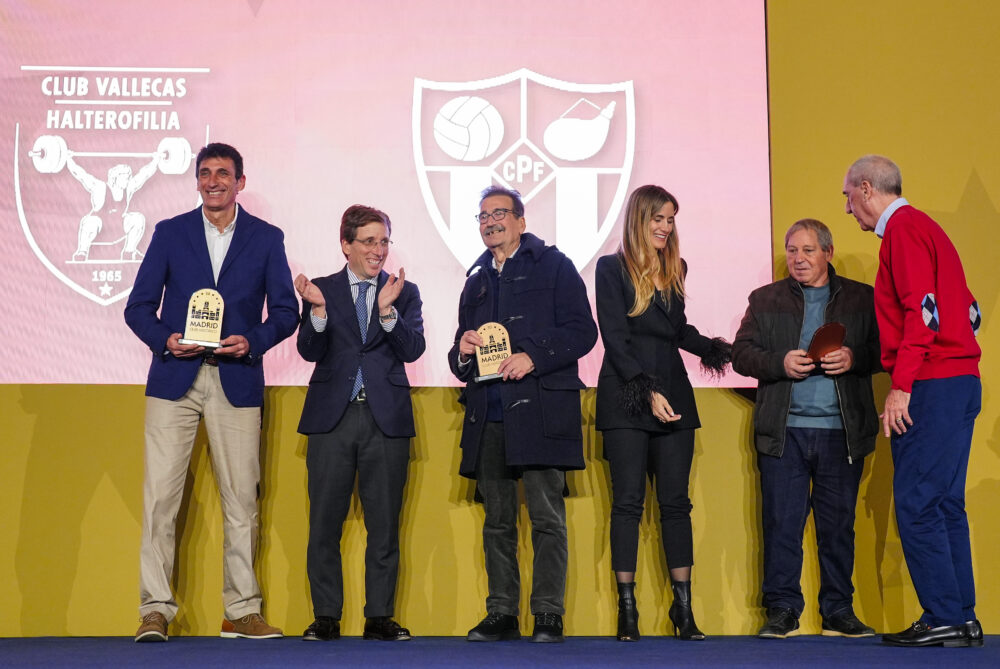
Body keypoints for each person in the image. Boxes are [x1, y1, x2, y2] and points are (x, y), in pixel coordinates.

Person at [124, 142, 298, 642]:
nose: (213, 181)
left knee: (241, 500)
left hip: (236, 378)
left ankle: (241, 612)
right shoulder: (170, 232)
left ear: (240, 182)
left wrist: (253, 341)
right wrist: (165, 339)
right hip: (173, 379)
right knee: (160, 500)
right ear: (197, 181)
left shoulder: (266, 238)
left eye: (223, 173)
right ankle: (154, 610)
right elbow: (138, 307)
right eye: (205, 173)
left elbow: (286, 312)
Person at [843, 155, 983, 648]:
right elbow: (969, 310)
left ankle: (943, 614)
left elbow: (923, 312)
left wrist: (902, 385)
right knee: (945, 503)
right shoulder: (929, 228)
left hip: (932, 383)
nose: (847, 209)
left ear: (866, 188)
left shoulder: (902, 231)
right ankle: (962, 617)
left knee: (918, 501)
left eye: (847, 197)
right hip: (961, 380)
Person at [448, 185, 597, 643]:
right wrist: (462, 351)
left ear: (521, 221)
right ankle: (502, 613)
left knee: (547, 519)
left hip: (540, 411)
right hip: (489, 414)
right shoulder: (475, 280)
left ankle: (548, 613)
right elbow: (459, 356)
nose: (490, 222)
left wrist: (534, 355)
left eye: (499, 213)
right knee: (497, 522)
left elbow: (583, 331)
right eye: (482, 216)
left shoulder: (555, 266)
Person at [732, 218, 880, 640]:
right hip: (784, 432)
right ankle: (782, 611)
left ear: (828, 253)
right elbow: (741, 355)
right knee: (782, 525)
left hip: (842, 432)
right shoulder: (765, 299)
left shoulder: (861, 298)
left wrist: (853, 358)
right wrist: (778, 362)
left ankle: (838, 612)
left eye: (808, 250)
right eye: (792, 250)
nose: (798, 259)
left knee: (838, 528)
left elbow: (885, 349)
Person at [594, 185, 730, 642]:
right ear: (639, 219)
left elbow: (676, 331)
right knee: (628, 503)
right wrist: (646, 391)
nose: (665, 227)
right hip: (627, 395)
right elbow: (616, 338)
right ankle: (627, 610)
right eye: (658, 218)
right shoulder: (610, 269)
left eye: (670, 219)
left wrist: (717, 350)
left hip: (674, 393)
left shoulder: (676, 268)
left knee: (676, 504)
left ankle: (683, 610)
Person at [294, 205, 424, 642]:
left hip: (385, 420)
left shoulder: (403, 292)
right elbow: (309, 350)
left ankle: (379, 616)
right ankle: (326, 616)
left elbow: (413, 349)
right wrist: (317, 312)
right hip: (332, 419)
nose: (378, 250)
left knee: (384, 526)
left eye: (383, 241)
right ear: (345, 245)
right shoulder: (322, 289)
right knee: (324, 525)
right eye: (368, 241)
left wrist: (388, 314)